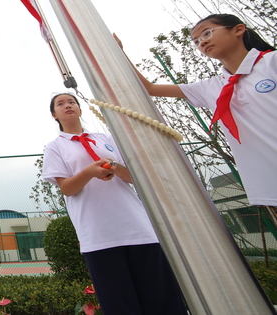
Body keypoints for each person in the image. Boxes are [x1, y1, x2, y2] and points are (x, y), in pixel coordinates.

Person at [42, 93, 186, 315]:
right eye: (60, 104)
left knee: (162, 300)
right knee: (120, 304)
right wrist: (90, 172)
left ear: (80, 110)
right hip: (99, 235)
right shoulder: (55, 147)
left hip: (138, 229)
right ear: (54, 115)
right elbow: (67, 188)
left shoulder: (105, 139)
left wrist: (114, 168)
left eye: (72, 102)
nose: (67, 105)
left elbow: (134, 177)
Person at [118, 14, 277, 209]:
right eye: (196, 41)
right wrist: (119, 53)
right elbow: (150, 89)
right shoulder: (212, 87)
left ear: (238, 29)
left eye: (207, 33)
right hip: (270, 185)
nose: (202, 42)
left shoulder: (271, 63)